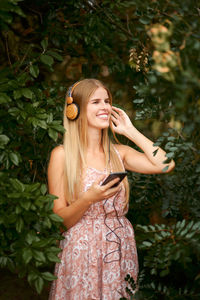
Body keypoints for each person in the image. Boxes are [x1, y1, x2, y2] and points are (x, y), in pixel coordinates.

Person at [48, 78, 175, 300]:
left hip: (120, 247)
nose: (105, 107)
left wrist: (130, 131)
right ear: (73, 110)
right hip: (81, 251)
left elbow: (166, 164)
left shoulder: (120, 153)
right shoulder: (62, 155)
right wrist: (88, 198)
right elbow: (59, 222)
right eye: (96, 102)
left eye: (107, 101)